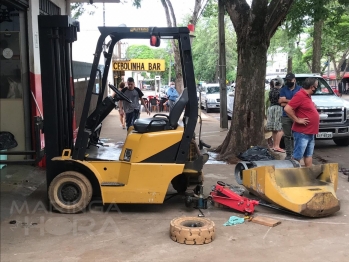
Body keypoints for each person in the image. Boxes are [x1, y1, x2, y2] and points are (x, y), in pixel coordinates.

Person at [284, 78, 320, 167]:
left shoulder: (308, 96)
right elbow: (287, 109)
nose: (317, 87)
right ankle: (294, 177)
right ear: (312, 87)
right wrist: (297, 119)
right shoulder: (300, 95)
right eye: (317, 86)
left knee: (308, 155)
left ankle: (309, 175)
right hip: (302, 133)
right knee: (297, 157)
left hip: (310, 132)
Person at [278, 73, 302, 160]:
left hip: (297, 116)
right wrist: (294, 102)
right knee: (287, 136)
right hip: (285, 116)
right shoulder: (283, 89)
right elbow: (281, 102)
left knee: (297, 136)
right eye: (287, 80)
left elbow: (301, 102)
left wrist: (286, 101)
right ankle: (288, 154)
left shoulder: (300, 89)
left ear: (294, 80)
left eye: (290, 80)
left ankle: (296, 154)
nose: (288, 82)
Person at [266, 77, 285, 153]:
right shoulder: (281, 91)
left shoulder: (271, 91)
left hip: (271, 109)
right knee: (281, 128)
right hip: (278, 109)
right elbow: (282, 101)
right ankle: (277, 146)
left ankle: (274, 146)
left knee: (274, 129)